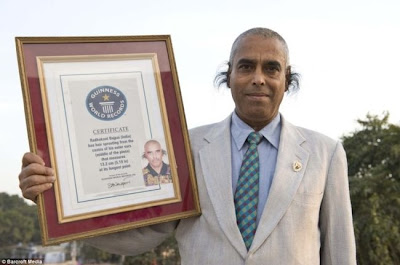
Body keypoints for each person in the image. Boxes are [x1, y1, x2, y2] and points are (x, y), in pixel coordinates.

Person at [18, 27, 357, 264]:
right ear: (228, 77)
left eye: (272, 68)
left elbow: (340, 253)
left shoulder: (325, 153)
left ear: (287, 80)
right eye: (245, 67)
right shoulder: (184, 147)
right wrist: (54, 202)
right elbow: (142, 236)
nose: (258, 78)